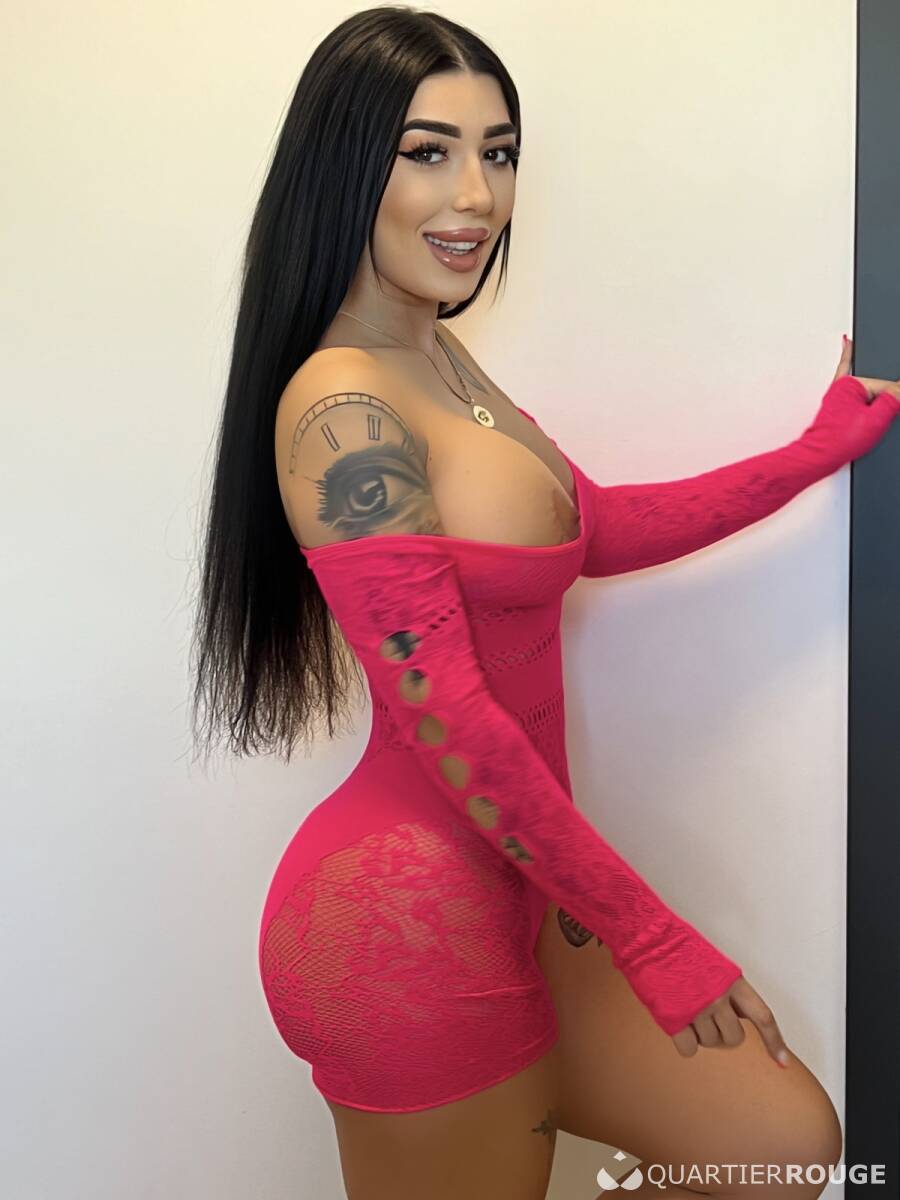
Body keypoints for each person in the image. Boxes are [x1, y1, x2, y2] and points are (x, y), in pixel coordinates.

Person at [190, 8, 900, 1198]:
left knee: (781, 1148)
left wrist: (811, 455)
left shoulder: (437, 356)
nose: (476, 195)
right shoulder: (344, 408)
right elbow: (450, 721)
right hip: (407, 915)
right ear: (343, 165)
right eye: (427, 152)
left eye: (500, 152)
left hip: (523, 886)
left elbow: (590, 528)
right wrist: (651, 934)